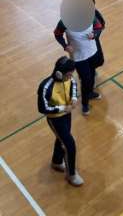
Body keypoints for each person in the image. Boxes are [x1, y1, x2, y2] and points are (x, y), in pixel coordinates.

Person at [37, 56, 84, 186]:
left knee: (61, 139)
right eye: (68, 75)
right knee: (69, 144)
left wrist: (74, 98)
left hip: (67, 115)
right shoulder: (45, 86)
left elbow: (73, 85)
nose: (70, 77)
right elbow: (43, 108)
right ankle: (71, 175)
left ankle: (56, 162)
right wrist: (63, 108)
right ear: (59, 73)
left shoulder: (69, 78)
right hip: (55, 119)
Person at [54, 5, 102, 116]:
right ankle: (85, 103)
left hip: (93, 52)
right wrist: (65, 46)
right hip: (78, 57)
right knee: (86, 79)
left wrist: (94, 34)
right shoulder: (64, 22)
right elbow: (57, 34)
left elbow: (98, 27)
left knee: (91, 75)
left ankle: (90, 92)